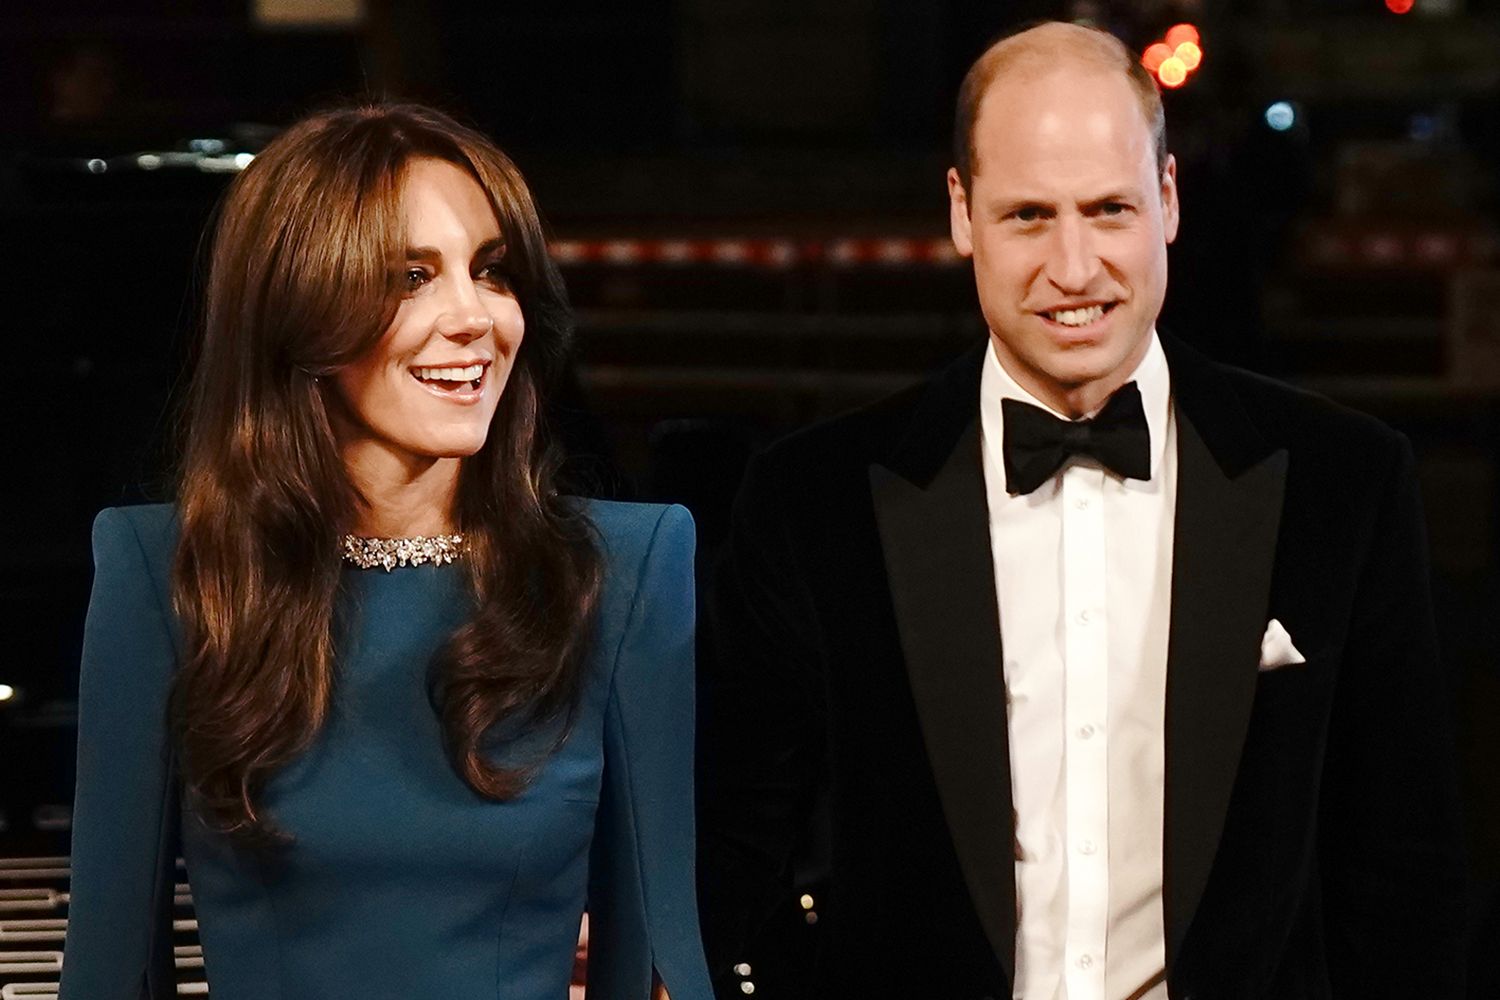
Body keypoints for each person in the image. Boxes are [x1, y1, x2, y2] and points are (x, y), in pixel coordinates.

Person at [696, 21, 1467, 1000]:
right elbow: (732, 849)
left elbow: (1404, 878)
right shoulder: (814, 504)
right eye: (1027, 216)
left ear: (1170, 201)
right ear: (962, 213)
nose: (1073, 267)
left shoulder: (1342, 484)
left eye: (1108, 210)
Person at [60, 103, 712, 1000]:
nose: (474, 319)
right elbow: (109, 969)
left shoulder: (626, 569)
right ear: (301, 307)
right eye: (410, 275)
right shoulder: (168, 572)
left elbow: (658, 963)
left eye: (492, 272)